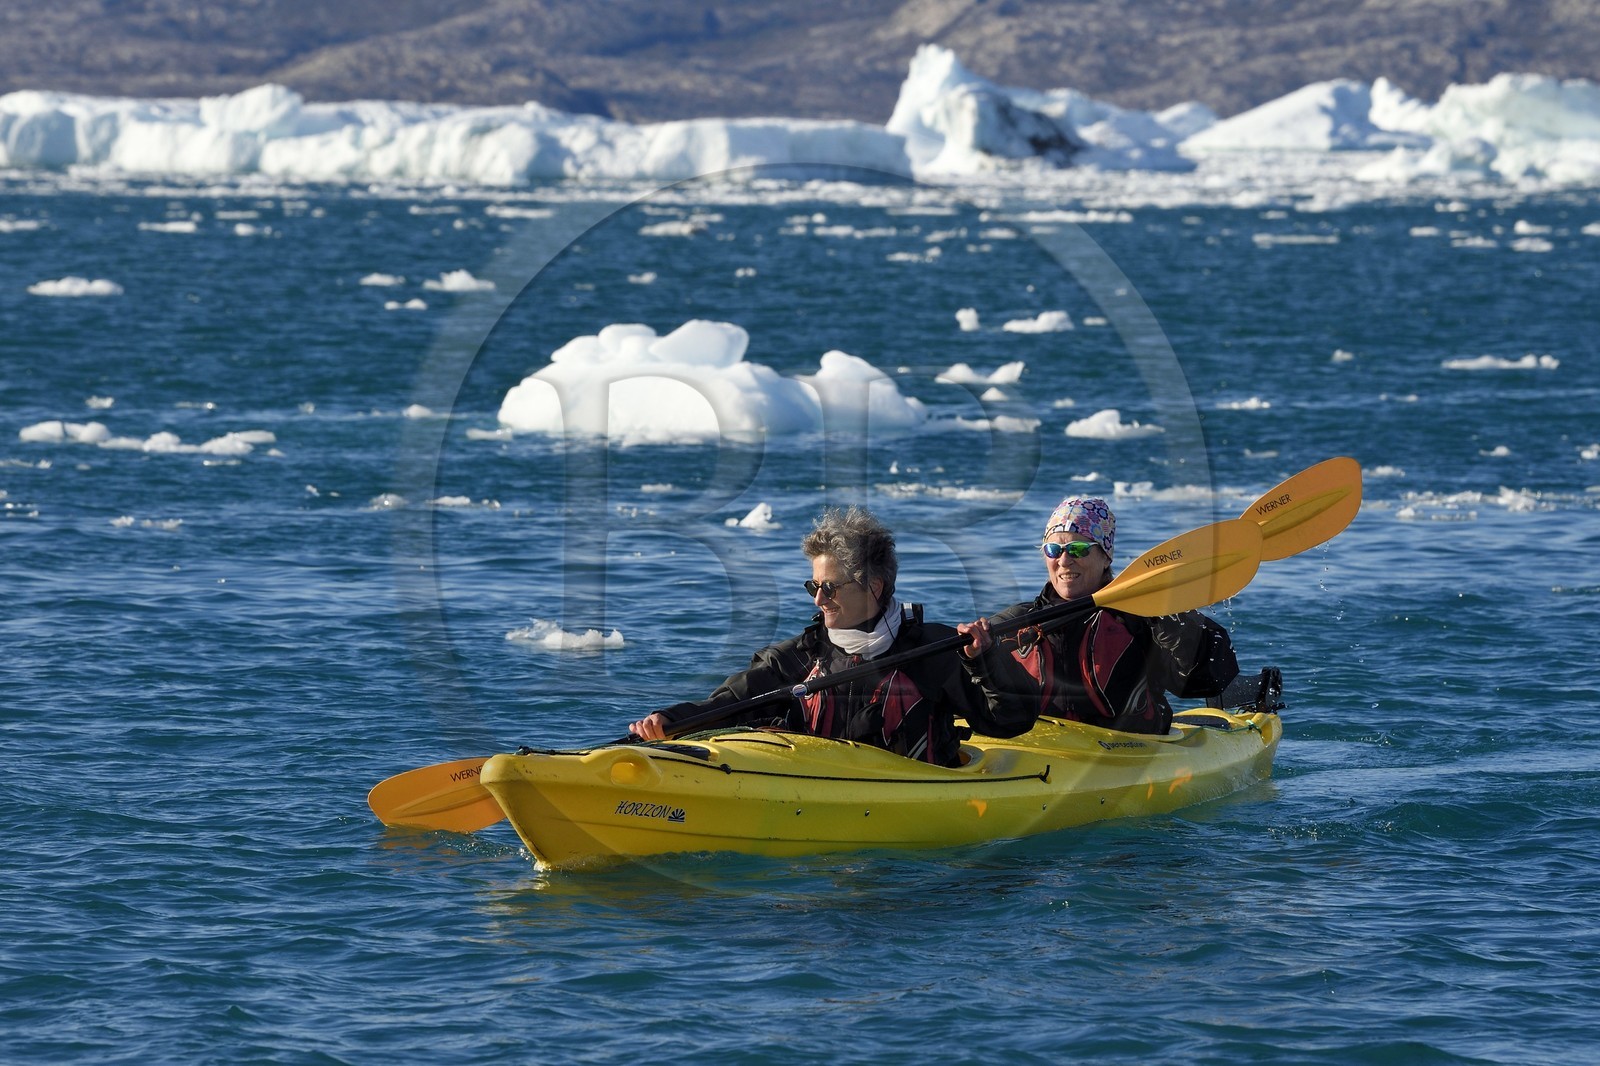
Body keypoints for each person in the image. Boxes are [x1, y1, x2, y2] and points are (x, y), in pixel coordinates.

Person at [628, 505, 1037, 766]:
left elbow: (1010, 721)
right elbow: (730, 704)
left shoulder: (934, 651)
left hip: (920, 831)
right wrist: (670, 721)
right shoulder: (797, 659)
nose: (820, 599)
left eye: (832, 587)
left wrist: (984, 661)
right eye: (814, 586)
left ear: (874, 586)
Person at [955, 496, 1252, 736]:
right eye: (1054, 549)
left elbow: (1211, 680)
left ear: (1105, 556)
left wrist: (1169, 613)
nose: (1064, 559)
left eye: (1079, 549)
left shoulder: (1138, 617)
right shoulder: (1015, 623)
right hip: (1045, 747)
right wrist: (976, 655)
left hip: (1131, 750)